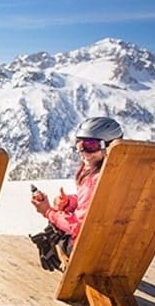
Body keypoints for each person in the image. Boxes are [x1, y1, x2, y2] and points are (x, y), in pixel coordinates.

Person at [29, 116, 124, 271]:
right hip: (121, 248)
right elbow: (95, 204)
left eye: (90, 145)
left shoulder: (96, 179)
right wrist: (70, 202)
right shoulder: (125, 174)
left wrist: (48, 211)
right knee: (61, 217)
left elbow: (78, 228)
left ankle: (54, 247)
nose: (82, 151)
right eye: (79, 144)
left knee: (56, 227)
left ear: (109, 146)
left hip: (88, 252)